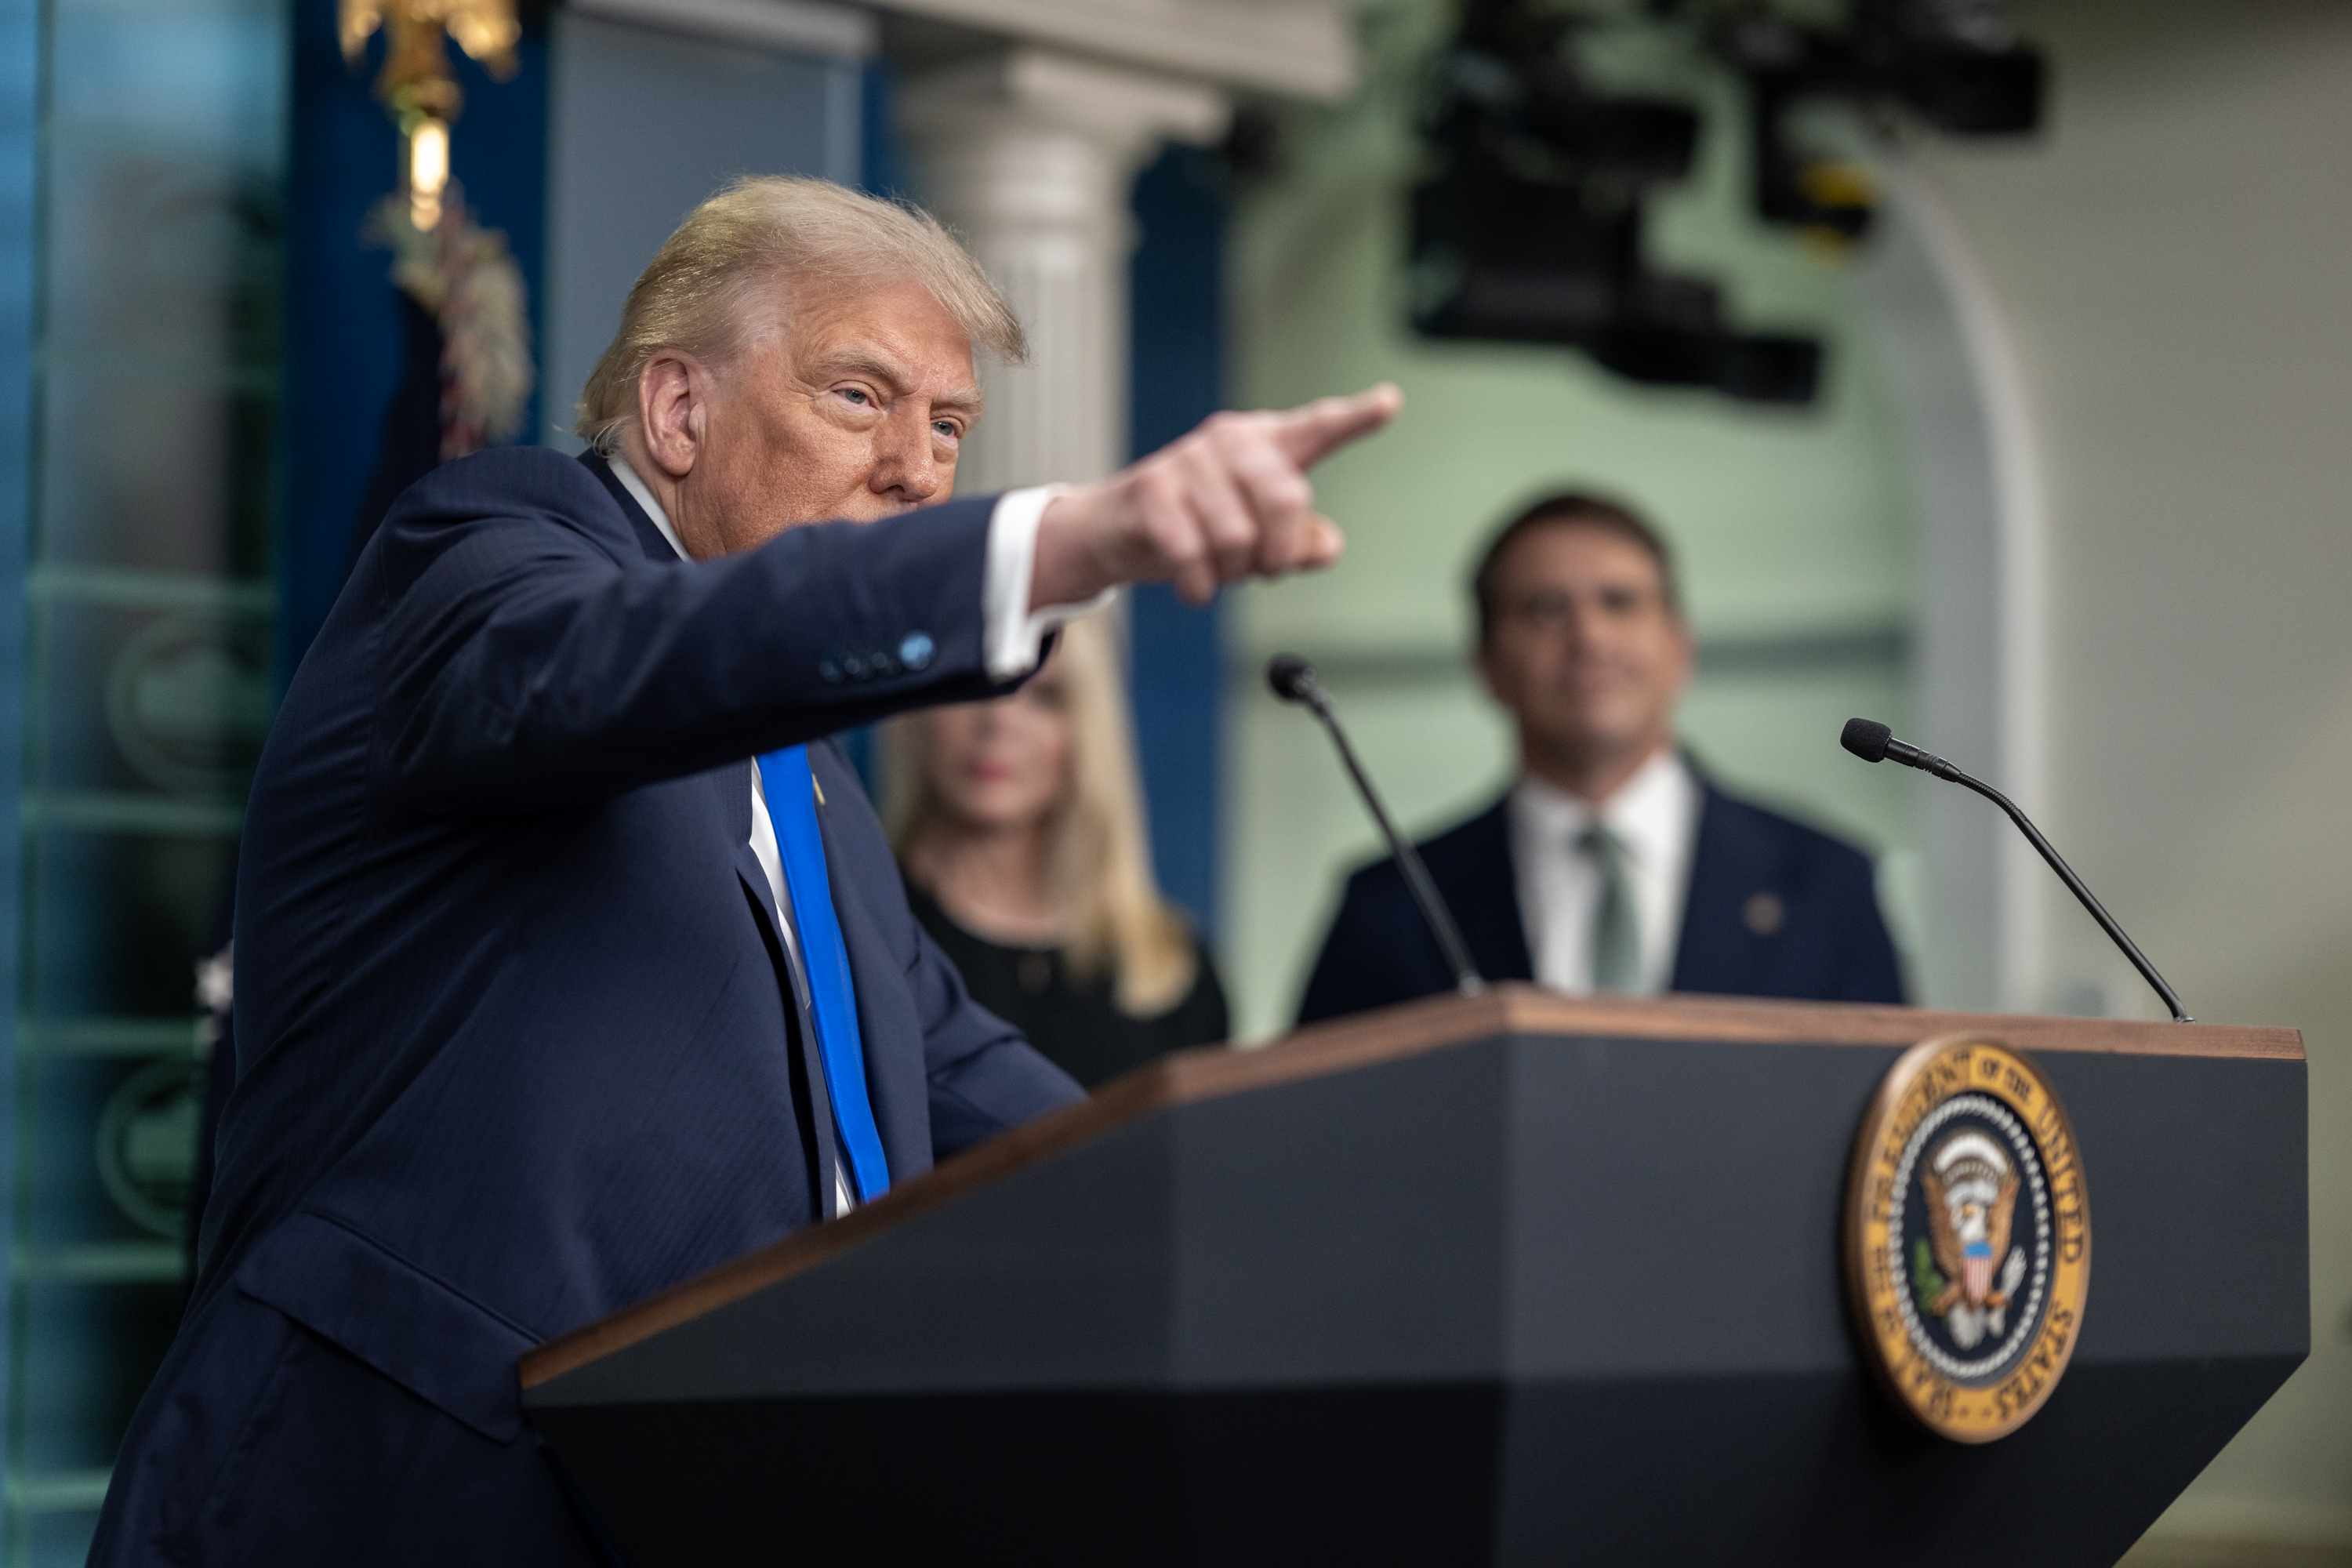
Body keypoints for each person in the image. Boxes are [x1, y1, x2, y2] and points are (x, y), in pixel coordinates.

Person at [92, 176, 1399, 1565]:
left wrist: (1268, 1231)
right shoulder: (478, 563)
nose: (918, 466)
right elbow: (642, 663)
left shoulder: (815, 789)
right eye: (860, 397)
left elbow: (958, 1073)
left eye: (950, 426)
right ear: (677, 412)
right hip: (395, 1503)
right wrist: (1072, 542)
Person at [1298, 492, 1903, 1023]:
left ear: (1680, 649)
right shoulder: (1391, 905)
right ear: (1486, 665)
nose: (1589, 636)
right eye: (1545, 608)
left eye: (1620, 602)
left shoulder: (1825, 884)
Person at [886, 610, 1228, 1087]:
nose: (998, 722)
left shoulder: (1176, 970)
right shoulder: (862, 935)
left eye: (1044, 697)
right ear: (914, 712)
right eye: (971, 684)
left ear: (1088, 731)